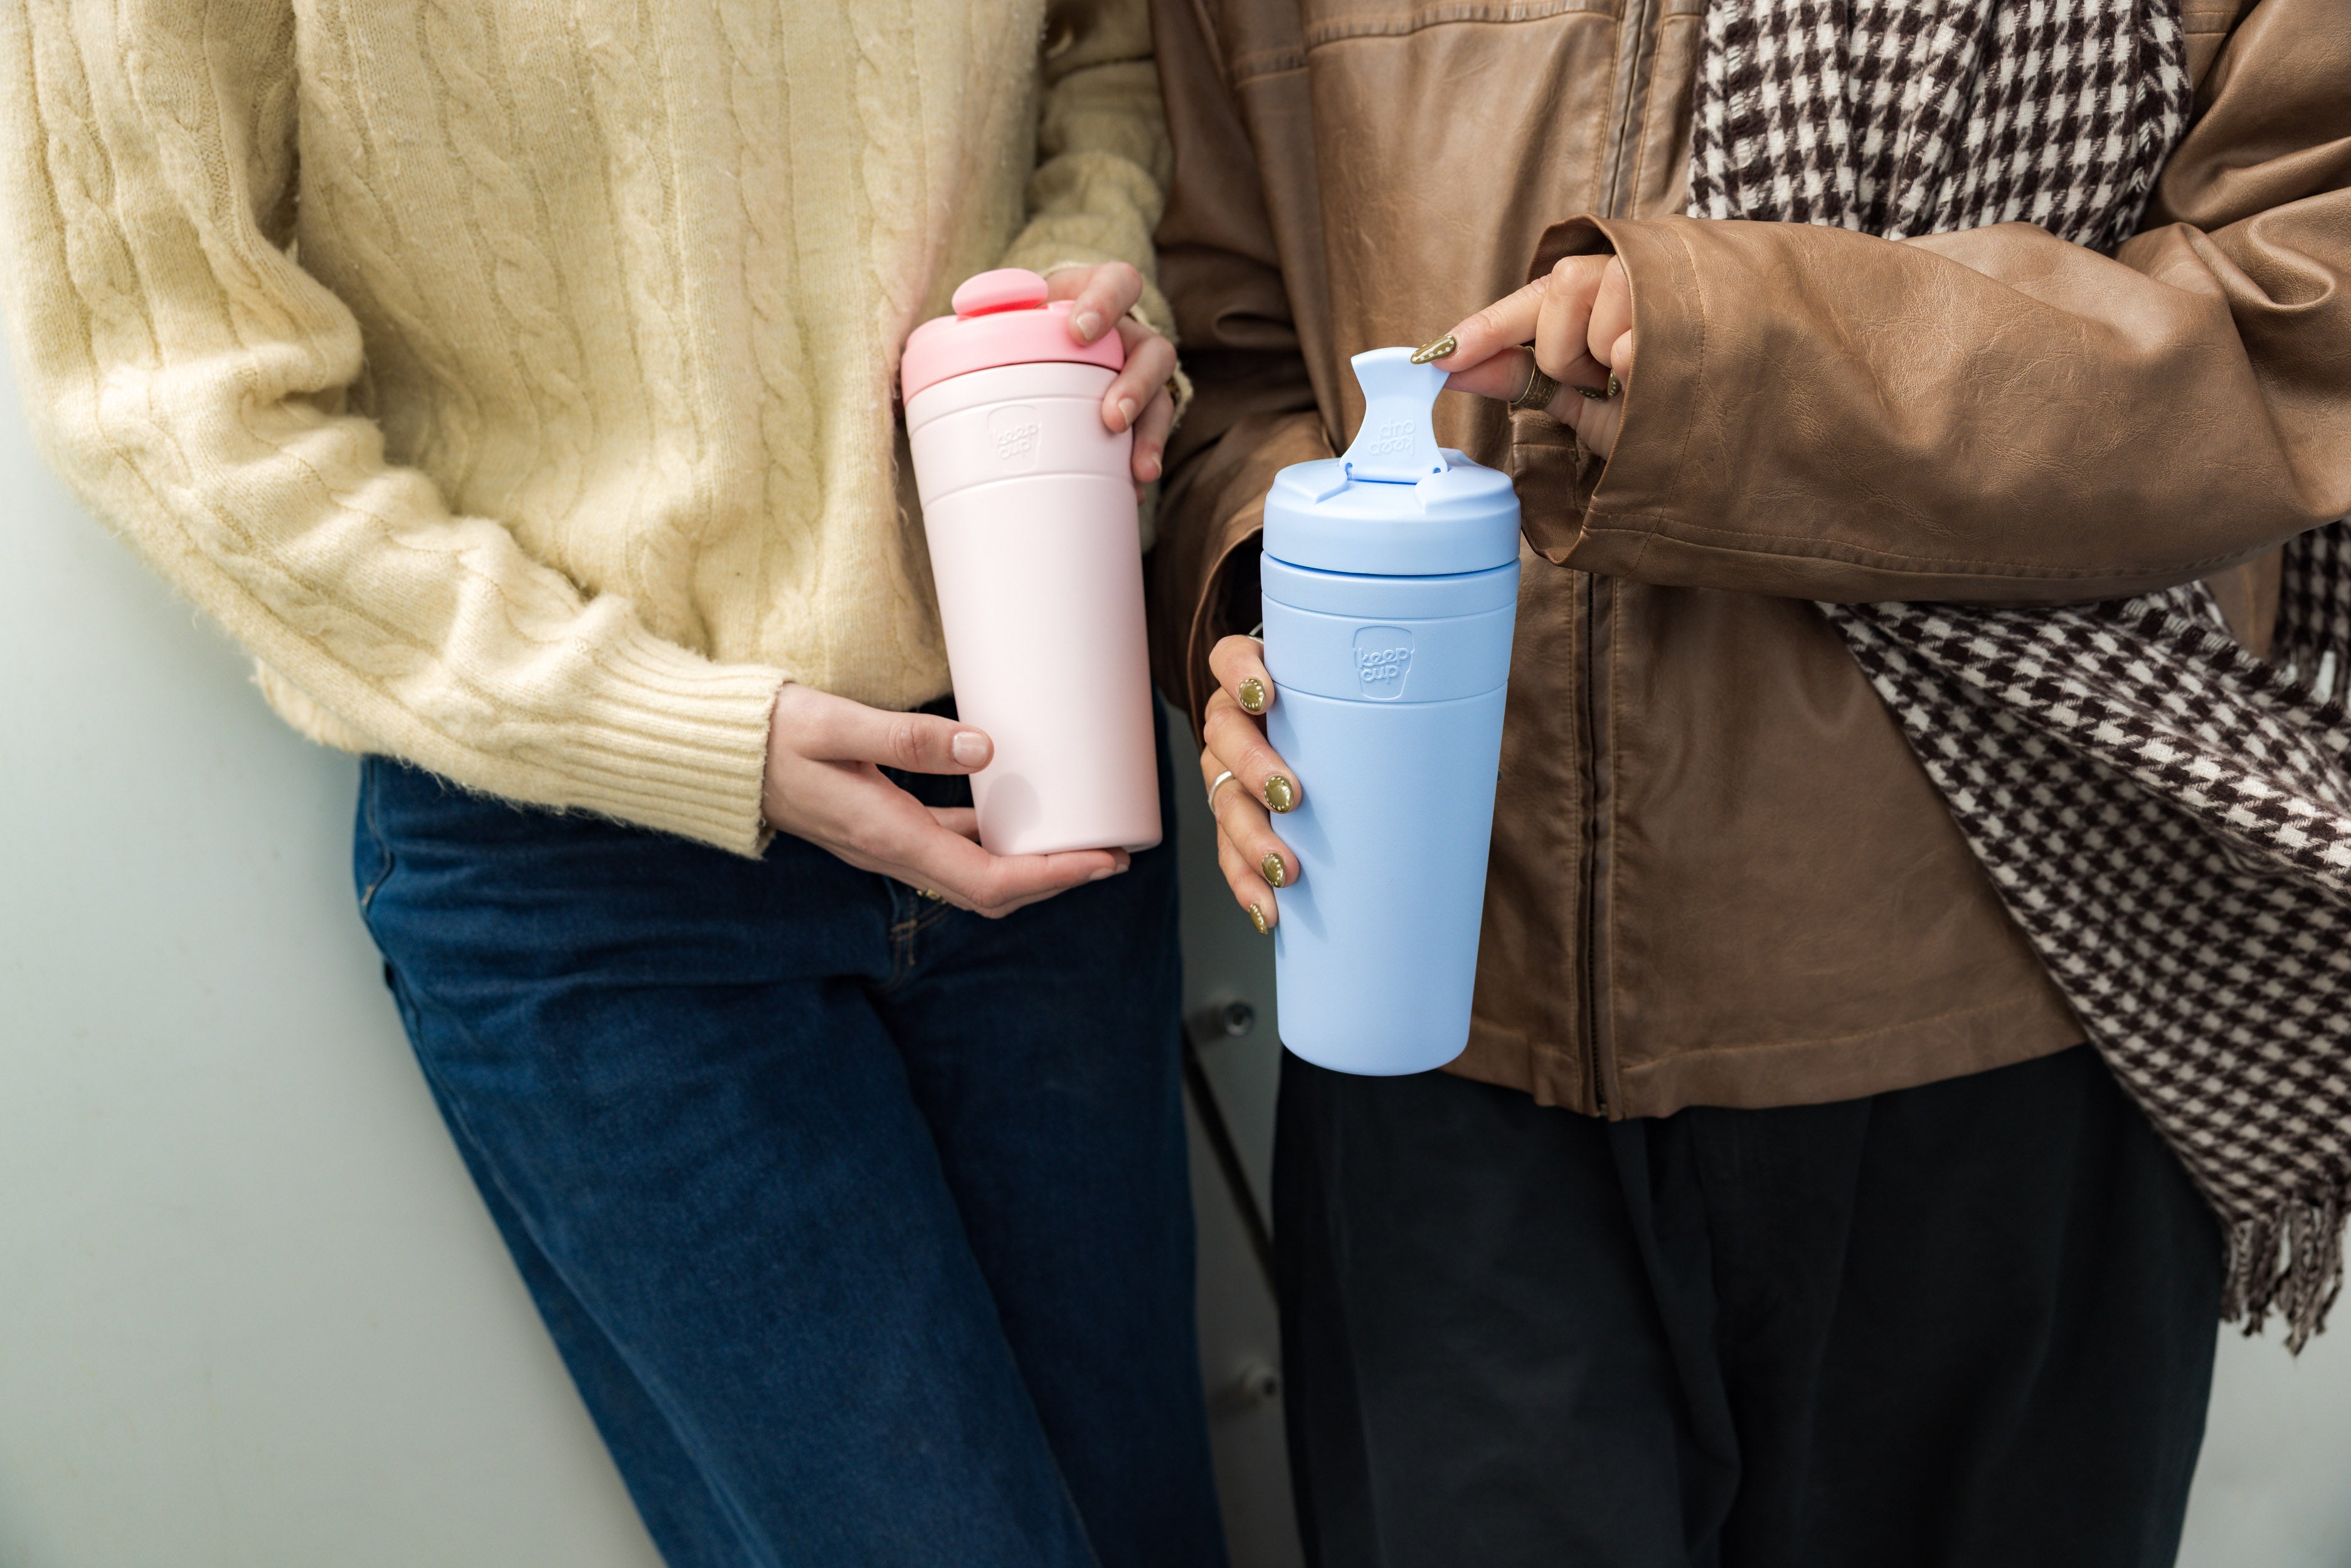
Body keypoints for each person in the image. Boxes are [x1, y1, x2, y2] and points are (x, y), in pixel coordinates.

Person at [0, 3, 1228, 1564]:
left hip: (1032, 750)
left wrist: (1074, 303)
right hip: (593, 869)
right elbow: (167, 387)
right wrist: (662, 721)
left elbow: (1101, 58)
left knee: (1150, 1534)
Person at [1151, 0, 2350, 1564]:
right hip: (1444, 1051)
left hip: (2002, 1019)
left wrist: (1714, 356)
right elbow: (1226, 358)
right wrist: (1261, 603)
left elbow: (2299, 304)